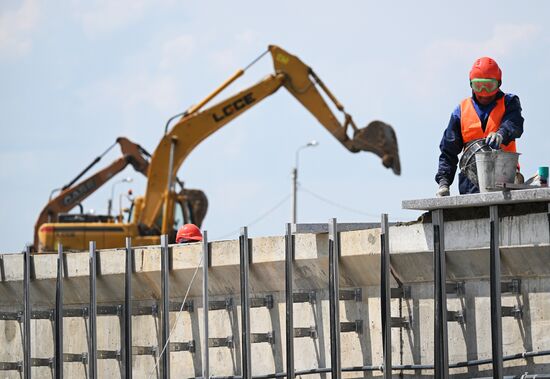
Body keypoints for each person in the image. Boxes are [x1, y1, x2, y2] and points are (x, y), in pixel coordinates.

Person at [435, 57, 524, 196]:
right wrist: (444, 182)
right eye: (478, 85)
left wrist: (501, 134)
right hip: (470, 185)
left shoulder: (509, 103)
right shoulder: (461, 111)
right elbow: (448, 151)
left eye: (489, 86)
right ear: (471, 84)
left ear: (499, 83)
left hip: (505, 179)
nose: (483, 92)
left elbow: (514, 123)